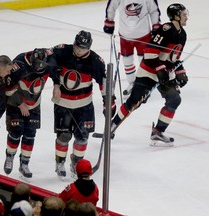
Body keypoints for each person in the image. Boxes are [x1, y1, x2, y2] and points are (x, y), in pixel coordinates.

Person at [111, 3, 189, 147]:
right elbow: (149, 53)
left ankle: (158, 131)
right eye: (184, 14)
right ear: (176, 16)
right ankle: (111, 126)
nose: (186, 17)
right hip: (149, 71)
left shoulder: (182, 34)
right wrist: (160, 70)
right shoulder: (165, 30)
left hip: (165, 72)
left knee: (174, 99)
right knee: (134, 102)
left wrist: (180, 72)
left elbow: (174, 57)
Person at [51, 30, 116, 179]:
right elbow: (49, 61)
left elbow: (104, 83)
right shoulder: (62, 51)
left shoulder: (96, 61)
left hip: (84, 105)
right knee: (64, 136)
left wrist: (109, 103)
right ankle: (59, 162)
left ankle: (76, 162)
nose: (79, 50)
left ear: (89, 47)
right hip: (63, 103)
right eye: (77, 46)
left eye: (83, 48)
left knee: (82, 138)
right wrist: (55, 83)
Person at [3, 48, 59, 180]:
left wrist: (56, 86)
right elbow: (8, 86)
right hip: (15, 103)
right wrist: (20, 104)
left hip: (34, 104)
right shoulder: (19, 63)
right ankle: (10, 156)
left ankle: (24, 164)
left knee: (30, 135)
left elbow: (56, 71)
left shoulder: (50, 60)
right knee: (15, 132)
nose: (39, 70)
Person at [103, 0, 161, 96]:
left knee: (144, 61)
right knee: (127, 61)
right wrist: (109, 21)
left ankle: (144, 85)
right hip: (125, 35)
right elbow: (111, 6)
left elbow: (154, 10)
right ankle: (132, 84)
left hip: (143, 35)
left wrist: (156, 26)